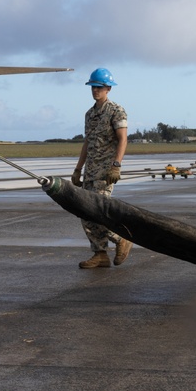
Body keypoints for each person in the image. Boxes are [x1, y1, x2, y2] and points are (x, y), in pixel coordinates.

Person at [71, 67, 132, 269]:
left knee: (99, 211)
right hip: (90, 171)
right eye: (93, 87)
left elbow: (123, 139)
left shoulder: (116, 111)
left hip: (106, 172)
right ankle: (100, 254)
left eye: (99, 87)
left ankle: (121, 238)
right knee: (85, 212)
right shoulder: (90, 114)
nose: (95, 90)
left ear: (108, 89)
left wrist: (116, 165)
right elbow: (87, 143)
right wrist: (78, 169)